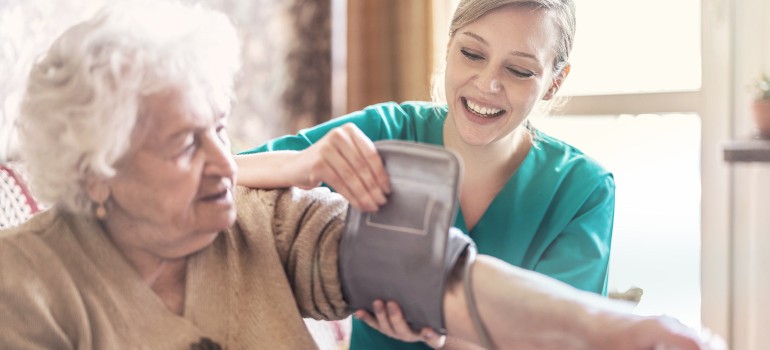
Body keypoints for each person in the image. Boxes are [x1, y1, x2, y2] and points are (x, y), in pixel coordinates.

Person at [0, 2, 718, 349]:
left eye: (221, 129)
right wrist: (307, 162)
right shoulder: (27, 286)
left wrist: (627, 327)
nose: (225, 164)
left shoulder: (263, 223)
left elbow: (440, 275)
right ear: (96, 173)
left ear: (555, 81)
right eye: (189, 145)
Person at [236, 0, 614, 349]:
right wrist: (302, 164)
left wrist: (442, 339)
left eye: (519, 70)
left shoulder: (583, 192)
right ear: (448, 48)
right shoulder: (384, 132)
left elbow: (560, 342)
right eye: (471, 54)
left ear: (554, 82)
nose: (487, 84)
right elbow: (217, 174)